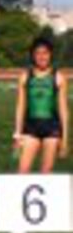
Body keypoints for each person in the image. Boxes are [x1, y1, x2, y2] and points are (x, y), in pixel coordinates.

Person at [14, 37, 69, 173]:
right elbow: (20, 107)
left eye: (45, 53)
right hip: (30, 128)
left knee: (45, 174)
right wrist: (17, 134)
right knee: (22, 171)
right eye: (38, 53)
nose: (41, 57)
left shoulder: (59, 77)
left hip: (51, 130)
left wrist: (65, 139)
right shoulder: (25, 76)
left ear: (50, 55)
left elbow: (63, 110)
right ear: (33, 56)